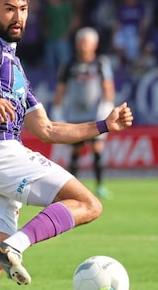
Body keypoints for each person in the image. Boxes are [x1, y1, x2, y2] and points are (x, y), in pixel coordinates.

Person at [0, 0, 133, 289]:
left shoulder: (17, 71)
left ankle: (7, 248)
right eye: (9, 8)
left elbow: (49, 129)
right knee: (88, 204)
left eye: (23, 9)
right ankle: (14, 245)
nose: (18, 17)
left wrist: (104, 124)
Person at [52, 27, 116, 199]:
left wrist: (107, 105)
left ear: (95, 44)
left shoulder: (101, 63)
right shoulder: (68, 65)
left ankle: (100, 186)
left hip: (95, 113)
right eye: (81, 41)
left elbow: (108, 86)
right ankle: (74, 188)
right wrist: (56, 109)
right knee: (76, 150)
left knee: (97, 148)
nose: (83, 45)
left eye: (87, 42)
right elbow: (61, 89)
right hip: (75, 114)